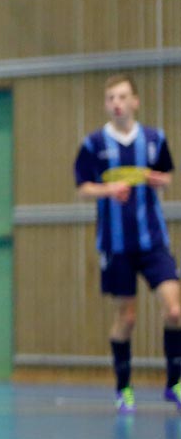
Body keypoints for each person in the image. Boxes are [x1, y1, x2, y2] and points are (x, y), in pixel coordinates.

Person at [74, 74, 181, 414]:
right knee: (128, 317)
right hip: (116, 245)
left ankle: (175, 383)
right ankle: (124, 388)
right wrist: (109, 190)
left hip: (152, 241)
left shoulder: (153, 139)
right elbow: (83, 187)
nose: (117, 103)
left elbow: (167, 177)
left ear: (135, 101)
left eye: (123, 97)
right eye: (111, 98)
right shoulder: (94, 144)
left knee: (176, 310)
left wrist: (156, 180)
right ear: (106, 105)